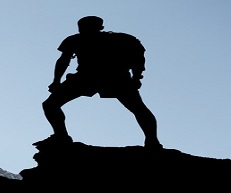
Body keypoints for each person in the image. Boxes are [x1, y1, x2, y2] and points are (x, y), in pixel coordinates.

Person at [33, 16, 162, 149]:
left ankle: (152, 140)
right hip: (93, 77)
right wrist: (56, 81)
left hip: (111, 77)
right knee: (50, 105)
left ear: (99, 27)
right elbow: (63, 60)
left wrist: (136, 78)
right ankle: (61, 136)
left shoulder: (118, 39)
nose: (83, 30)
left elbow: (138, 59)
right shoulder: (76, 40)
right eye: (82, 27)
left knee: (138, 109)